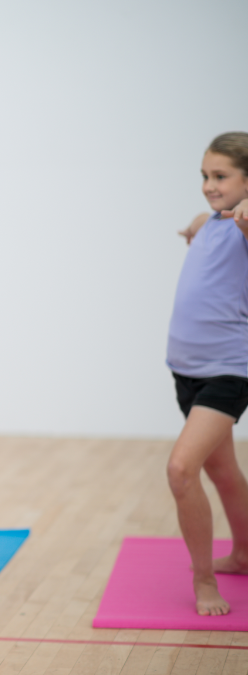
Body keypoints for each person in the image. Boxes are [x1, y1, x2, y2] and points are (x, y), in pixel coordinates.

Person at [166, 131, 248, 617]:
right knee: (223, 470)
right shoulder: (212, 222)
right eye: (204, 175)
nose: (208, 185)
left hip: (228, 371)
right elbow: (205, 222)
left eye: (220, 176)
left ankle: (204, 583)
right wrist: (201, 223)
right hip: (186, 370)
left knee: (181, 470)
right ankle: (243, 554)